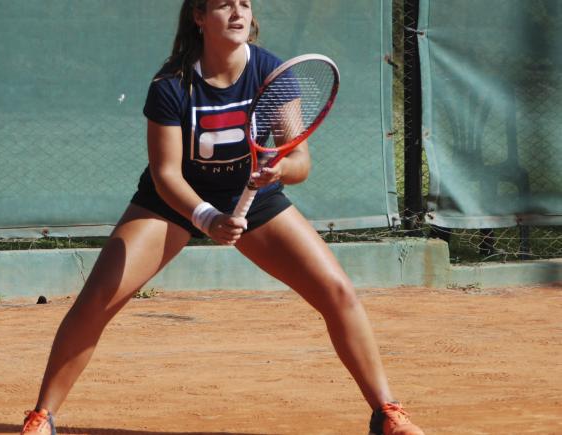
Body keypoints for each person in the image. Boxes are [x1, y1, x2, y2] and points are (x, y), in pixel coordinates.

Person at [21, 1, 424, 434]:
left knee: (338, 292)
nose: (237, 12)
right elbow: (165, 174)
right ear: (199, 16)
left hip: (254, 194)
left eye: (245, 3)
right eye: (223, 4)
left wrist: (278, 168)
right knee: (99, 298)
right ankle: (42, 417)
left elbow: (301, 160)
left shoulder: (272, 73)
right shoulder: (171, 84)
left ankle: (387, 413)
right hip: (173, 202)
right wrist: (206, 217)